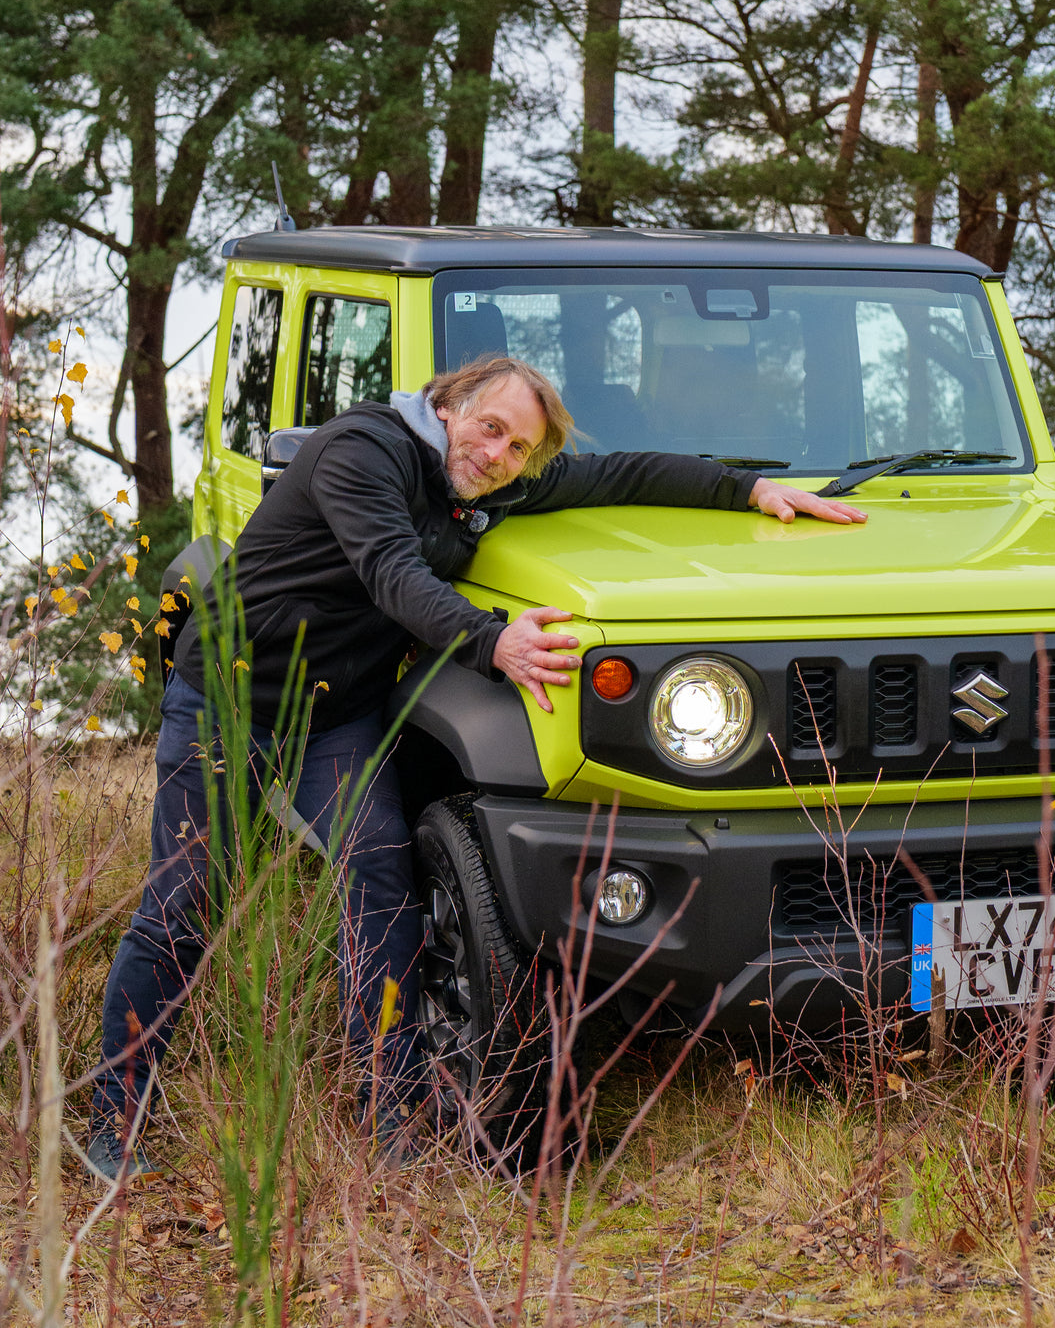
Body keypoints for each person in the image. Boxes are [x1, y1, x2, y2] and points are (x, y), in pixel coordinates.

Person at [86, 354, 867, 1181]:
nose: (500, 455)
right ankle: (115, 1123)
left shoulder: (483, 487)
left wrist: (746, 492)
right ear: (449, 405)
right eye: (492, 429)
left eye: (519, 449)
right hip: (233, 697)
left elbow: (620, 474)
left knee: (380, 882)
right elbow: (393, 572)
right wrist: (496, 642)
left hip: (334, 714)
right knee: (182, 903)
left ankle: (387, 1113)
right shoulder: (362, 451)